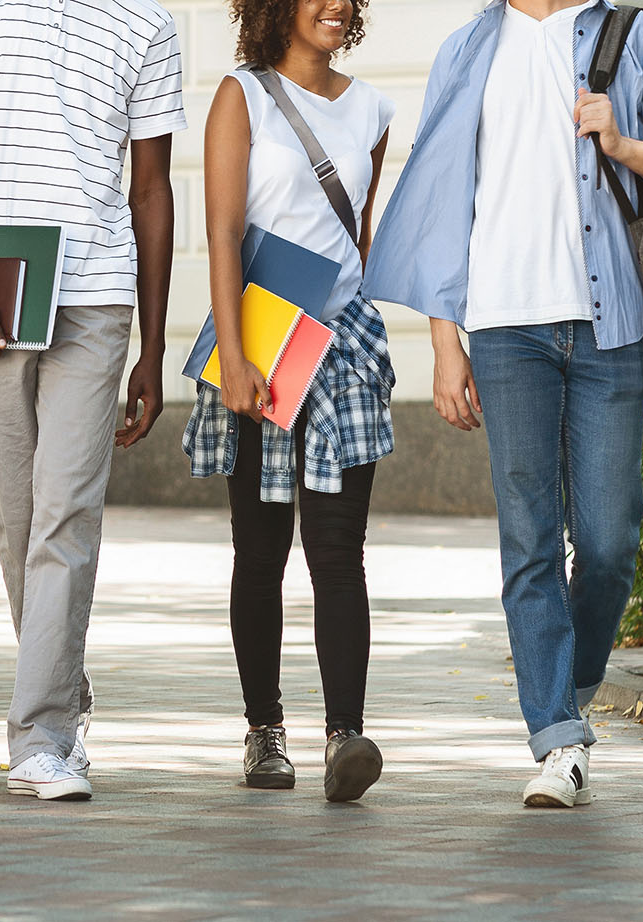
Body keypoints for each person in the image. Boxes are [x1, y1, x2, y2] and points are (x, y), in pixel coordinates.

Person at [363, 0, 643, 807]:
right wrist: (444, 343)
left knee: (609, 541)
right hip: (501, 329)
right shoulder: (467, 48)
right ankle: (557, 737)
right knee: (528, 540)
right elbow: (440, 206)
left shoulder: (635, 36)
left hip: (610, 326)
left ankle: (567, 688)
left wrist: (625, 144)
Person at [0, 0, 185, 801]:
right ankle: (62, 691)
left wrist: (153, 343)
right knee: (16, 513)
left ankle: (40, 736)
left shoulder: (149, 21)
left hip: (98, 294)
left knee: (65, 510)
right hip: (1, 283)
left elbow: (151, 188)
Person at [184, 0, 397, 803]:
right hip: (263, 341)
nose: (336, 4)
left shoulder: (374, 107)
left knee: (339, 549)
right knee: (261, 548)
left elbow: (360, 233)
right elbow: (225, 229)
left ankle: (347, 734)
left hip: (340, 344)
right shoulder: (241, 94)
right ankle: (264, 731)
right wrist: (233, 354)